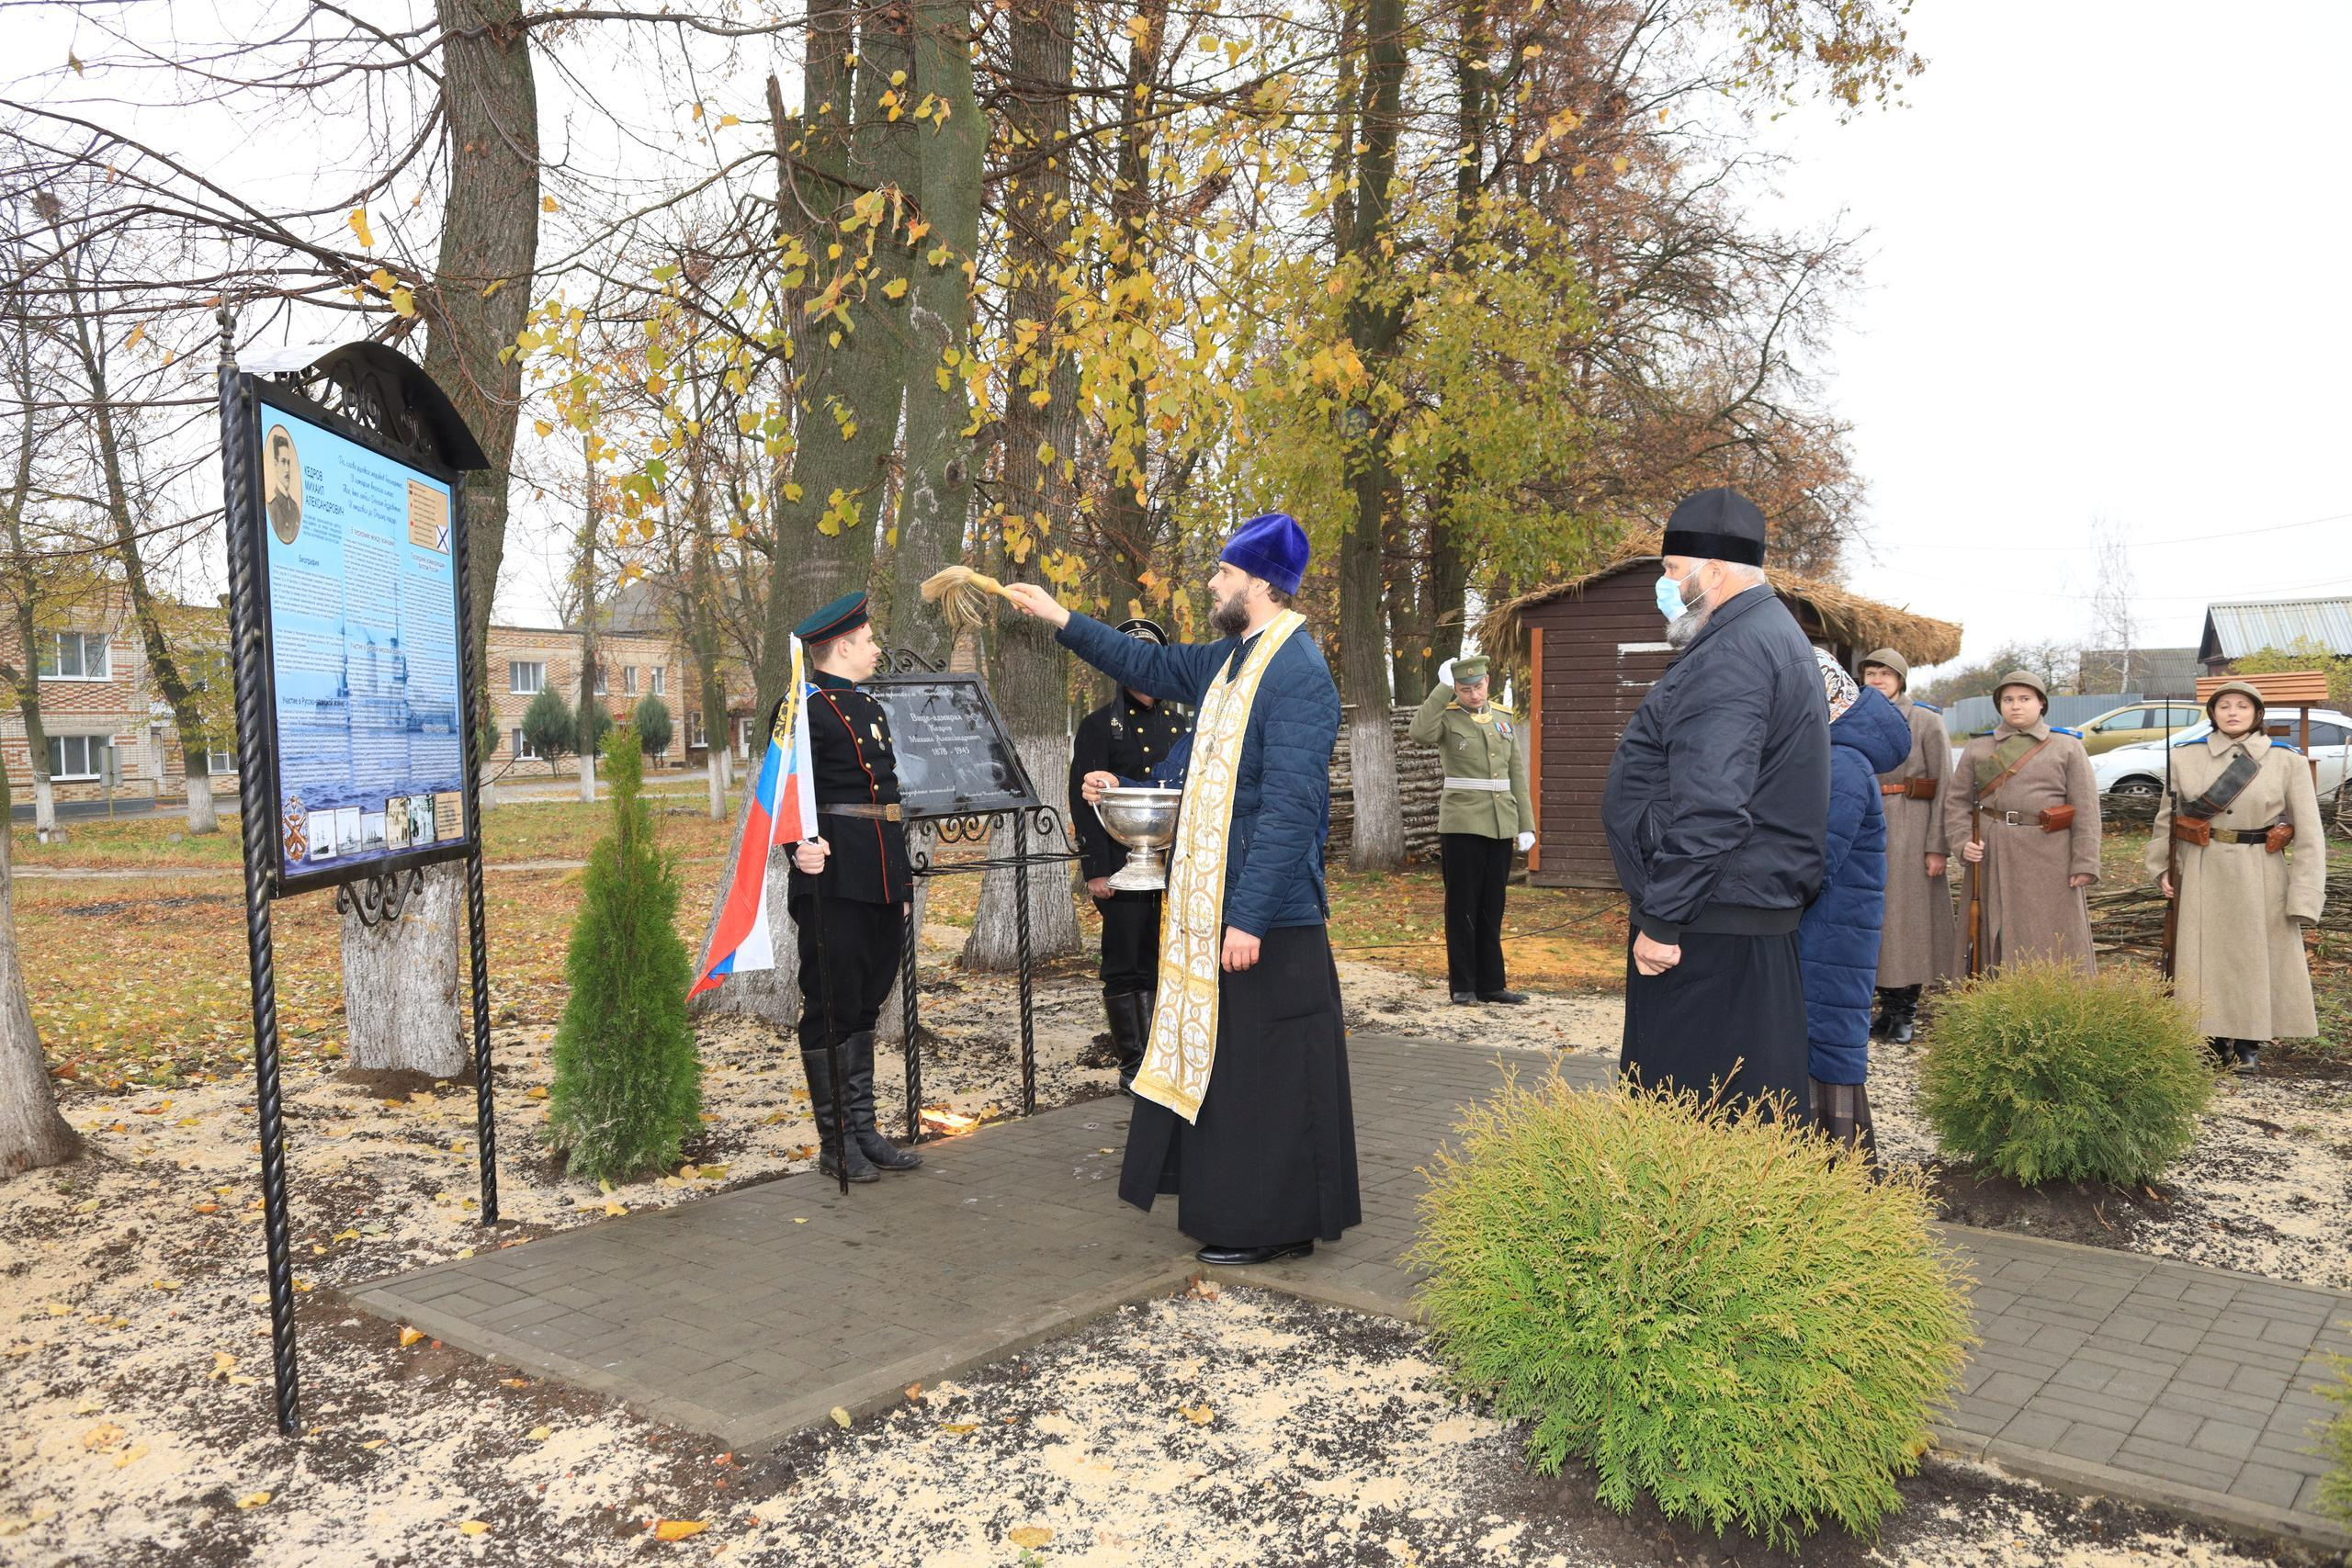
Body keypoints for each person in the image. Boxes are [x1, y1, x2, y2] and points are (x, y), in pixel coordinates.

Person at [1002, 512, 1360, 1267]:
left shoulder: (1296, 671)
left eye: (1223, 573)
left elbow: (1295, 809)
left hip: (1268, 920)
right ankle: (1237, 1212)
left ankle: (1277, 1224)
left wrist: (1248, 917)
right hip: (1220, 911)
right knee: (1232, 1074)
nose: (1212, 583)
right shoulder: (1233, 658)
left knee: (1271, 1076)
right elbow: (1148, 664)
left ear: (1260, 584)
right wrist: (1060, 616)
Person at [1601, 488, 1830, 1118]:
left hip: (1710, 933)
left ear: (1716, 571)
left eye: (1672, 571)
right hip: (1737, 919)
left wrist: (1664, 919)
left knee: (1692, 1134)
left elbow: (1713, 807)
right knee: (1744, 1135)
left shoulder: (1732, 653)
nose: (1663, 585)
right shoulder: (1771, 632)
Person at [785, 590, 923, 1184]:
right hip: (835, 875)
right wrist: (797, 844)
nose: (875, 648)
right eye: (868, 640)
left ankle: (863, 1129)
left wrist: (903, 878)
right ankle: (835, 1140)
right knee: (832, 1001)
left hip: (881, 870)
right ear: (841, 646)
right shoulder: (801, 708)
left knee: (868, 998)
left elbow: (885, 795)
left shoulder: (868, 706)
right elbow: (779, 788)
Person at [2150, 679, 2326, 1074]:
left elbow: (2310, 833)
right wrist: (2162, 867)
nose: (2232, 712)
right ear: (2212, 713)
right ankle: (2211, 1039)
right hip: (2202, 866)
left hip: (2260, 872)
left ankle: (2249, 1041)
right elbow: (2167, 822)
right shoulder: (2184, 758)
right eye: (2224, 705)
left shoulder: (2287, 761)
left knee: (2253, 956)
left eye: (2242, 706)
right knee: (2206, 955)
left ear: (2257, 714)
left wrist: (2305, 894)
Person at [1068, 617, 1193, 1091]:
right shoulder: (1100, 726)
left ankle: (1165, 1053)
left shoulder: (1181, 724)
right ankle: (1133, 1064)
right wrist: (1097, 869)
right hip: (1121, 865)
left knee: (1166, 958)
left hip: (1172, 864)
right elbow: (1084, 802)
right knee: (1125, 961)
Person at [1799, 652, 1911, 1158]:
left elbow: (1812, 863)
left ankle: (1833, 1186)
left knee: (1822, 1056)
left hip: (1827, 938)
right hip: (1829, 934)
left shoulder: (1840, 762)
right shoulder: (1833, 751)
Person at [1943, 670, 2101, 976]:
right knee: (1991, 932)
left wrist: (2084, 862)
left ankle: (2053, 1003)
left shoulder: (2067, 747)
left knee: (2051, 935)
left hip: (2050, 856)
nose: (2016, 706)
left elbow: (2086, 809)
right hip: (1992, 853)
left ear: (2041, 703)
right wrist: (1963, 842)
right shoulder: (1978, 749)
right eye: (2008, 699)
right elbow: (1956, 802)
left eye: (2025, 699)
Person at [1409, 654, 1536, 1005]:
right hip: (1463, 823)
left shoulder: (1504, 719)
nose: (1474, 695)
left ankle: (1492, 984)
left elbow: (1517, 775)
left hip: (1500, 823)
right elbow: (1419, 732)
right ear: (1457, 690)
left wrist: (1526, 823)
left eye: (1478, 687)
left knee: (1492, 906)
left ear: (1488, 682)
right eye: (1465, 690)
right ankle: (1463, 985)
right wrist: (1441, 690)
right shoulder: (1447, 718)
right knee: (1463, 906)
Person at [1858, 649, 1954, 1043]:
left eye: (1885, 673)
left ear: (1901, 679)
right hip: (1865, 822)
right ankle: (1884, 1005)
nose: (1877, 680)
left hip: (1912, 828)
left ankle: (1905, 1010)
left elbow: (1947, 786)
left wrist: (1937, 846)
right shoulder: (1852, 717)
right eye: (1870, 673)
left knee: (1908, 920)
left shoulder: (1926, 721)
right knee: (1874, 918)